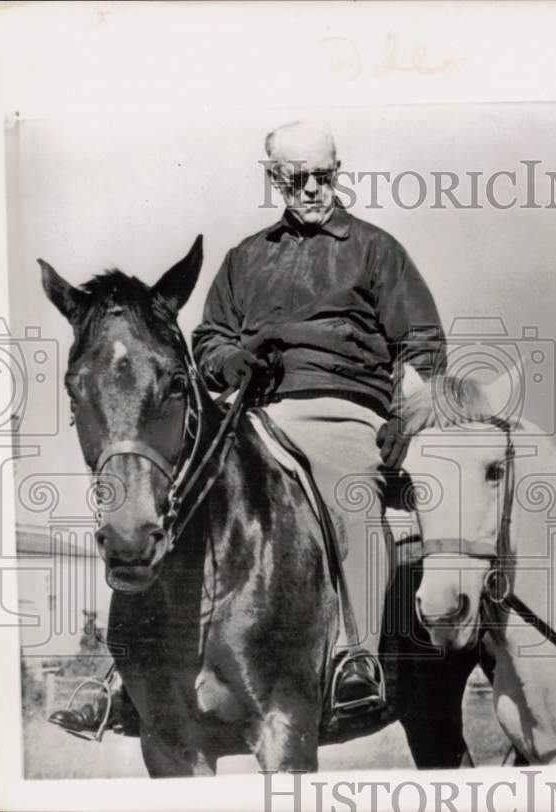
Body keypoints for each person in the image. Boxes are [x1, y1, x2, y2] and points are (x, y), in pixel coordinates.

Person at [193, 121, 446, 714]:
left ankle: (354, 655)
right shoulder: (245, 258)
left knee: (352, 499)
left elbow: (422, 343)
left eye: (323, 176)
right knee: (174, 494)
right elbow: (208, 339)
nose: (311, 190)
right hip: (252, 417)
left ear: (337, 172)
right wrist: (231, 359)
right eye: (296, 179)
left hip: (342, 411)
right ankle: (132, 672)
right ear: (274, 179)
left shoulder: (374, 249)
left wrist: (404, 416)